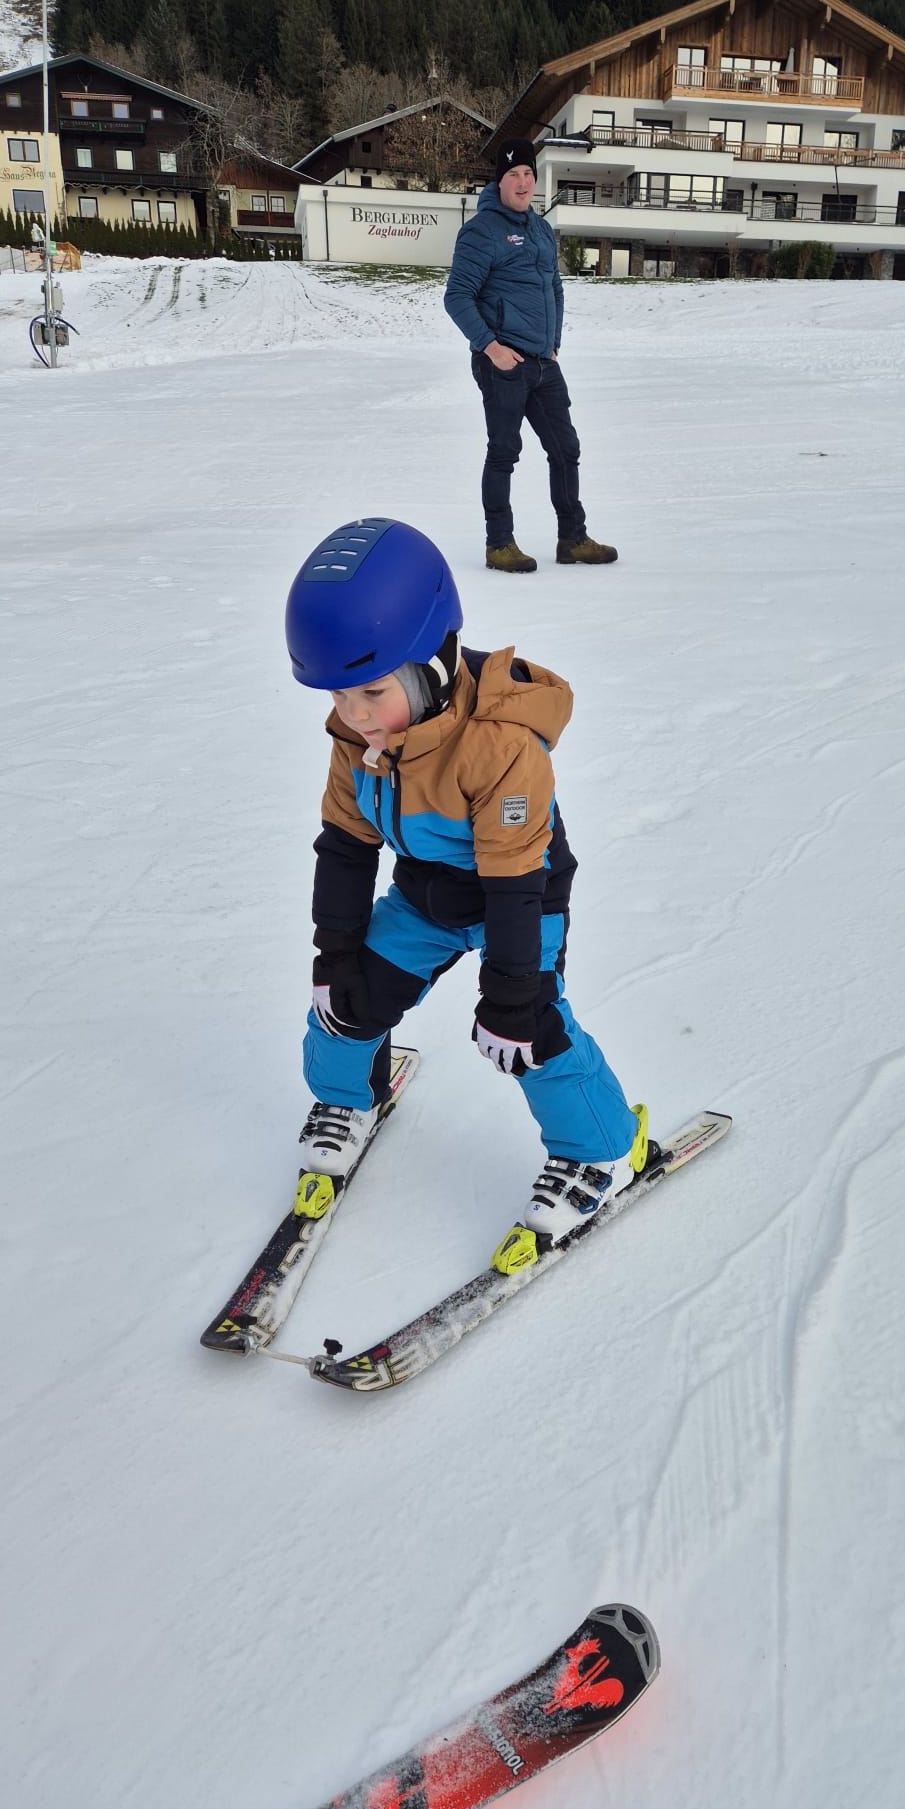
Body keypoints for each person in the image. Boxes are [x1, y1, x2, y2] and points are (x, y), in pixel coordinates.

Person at [288, 515, 648, 1264]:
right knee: (347, 1001)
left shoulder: (500, 744)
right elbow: (346, 847)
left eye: (371, 692)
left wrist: (512, 991)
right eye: (340, 696)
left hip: (519, 894)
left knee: (532, 1030)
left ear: (433, 664)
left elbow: (516, 880)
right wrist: (336, 951)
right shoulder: (358, 738)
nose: (353, 715)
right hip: (427, 894)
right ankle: (349, 1100)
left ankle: (604, 1150)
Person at [444, 136, 618, 575]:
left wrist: (553, 342)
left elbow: (554, 287)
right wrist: (491, 347)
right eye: (513, 175)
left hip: (543, 362)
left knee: (566, 448)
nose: (523, 183)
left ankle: (572, 539)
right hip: (503, 362)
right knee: (504, 451)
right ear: (499, 182)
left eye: (528, 174)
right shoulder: (481, 231)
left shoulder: (540, 229)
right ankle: (499, 544)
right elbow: (457, 296)